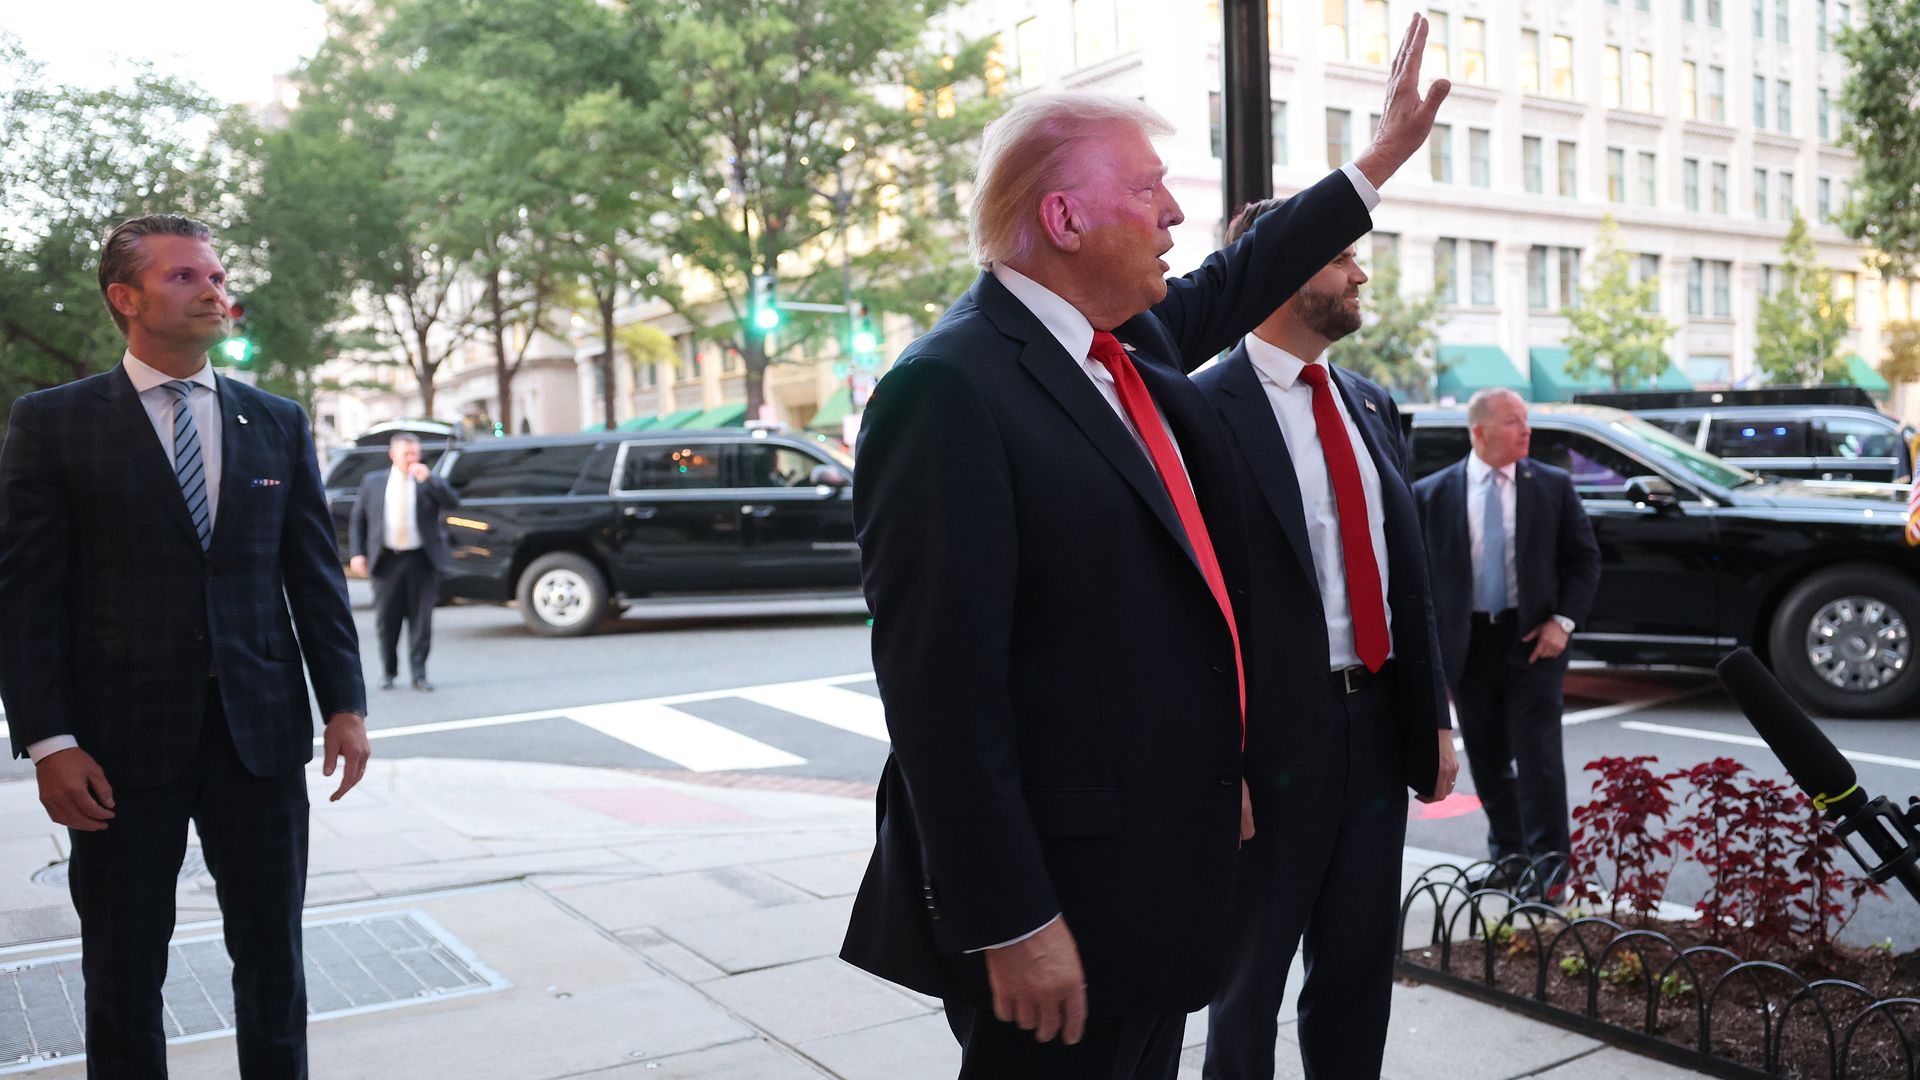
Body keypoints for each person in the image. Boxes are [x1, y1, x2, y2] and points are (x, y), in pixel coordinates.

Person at [839, 16, 1447, 1079]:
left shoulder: (1127, 352)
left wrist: (1377, 163)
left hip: (1153, 889)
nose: (1174, 213)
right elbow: (940, 691)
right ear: (1064, 218)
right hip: (1055, 907)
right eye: (1149, 190)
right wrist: (1012, 918)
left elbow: (1245, 268)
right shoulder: (948, 389)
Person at [0, 214, 370, 1079]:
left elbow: (313, 576)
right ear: (125, 299)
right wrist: (50, 742)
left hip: (261, 736)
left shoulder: (275, 421)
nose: (214, 290)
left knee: (274, 964)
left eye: (216, 275)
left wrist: (345, 705)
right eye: (185, 277)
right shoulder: (54, 424)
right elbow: (24, 598)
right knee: (124, 971)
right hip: (117, 747)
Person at [1193, 224, 1456, 1080]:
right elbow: (1190, 609)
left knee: (1356, 970)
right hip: (1269, 743)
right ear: (1275, 266)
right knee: (1248, 983)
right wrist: (1213, 759)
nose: (1360, 273)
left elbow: (1404, 579)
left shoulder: (1370, 403)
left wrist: (1435, 720)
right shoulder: (1199, 408)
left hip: (1376, 727)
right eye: (1341, 256)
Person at [1412, 388, 1601, 894]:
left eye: (1526, 421)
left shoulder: (1551, 486)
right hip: (1468, 645)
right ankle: (1510, 857)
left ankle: (1551, 868)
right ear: (1480, 432)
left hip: (1532, 641)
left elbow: (1584, 561)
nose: (1527, 430)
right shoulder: (1431, 494)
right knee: (1489, 758)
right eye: (1515, 422)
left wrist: (1563, 622)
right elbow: (1418, 579)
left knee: (1538, 757)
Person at [349, 433, 460, 691]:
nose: (412, 459)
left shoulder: (427, 481)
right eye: (406, 454)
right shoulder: (373, 481)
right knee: (387, 620)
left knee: (422, 621)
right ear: (393, 455)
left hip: (421, 559)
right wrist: (357, 553)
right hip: (387, 560)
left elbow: (452, 502)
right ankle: (389, 670)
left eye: (415, 454)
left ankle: (419, 673)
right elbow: (359, 520)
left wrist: (430, 480)